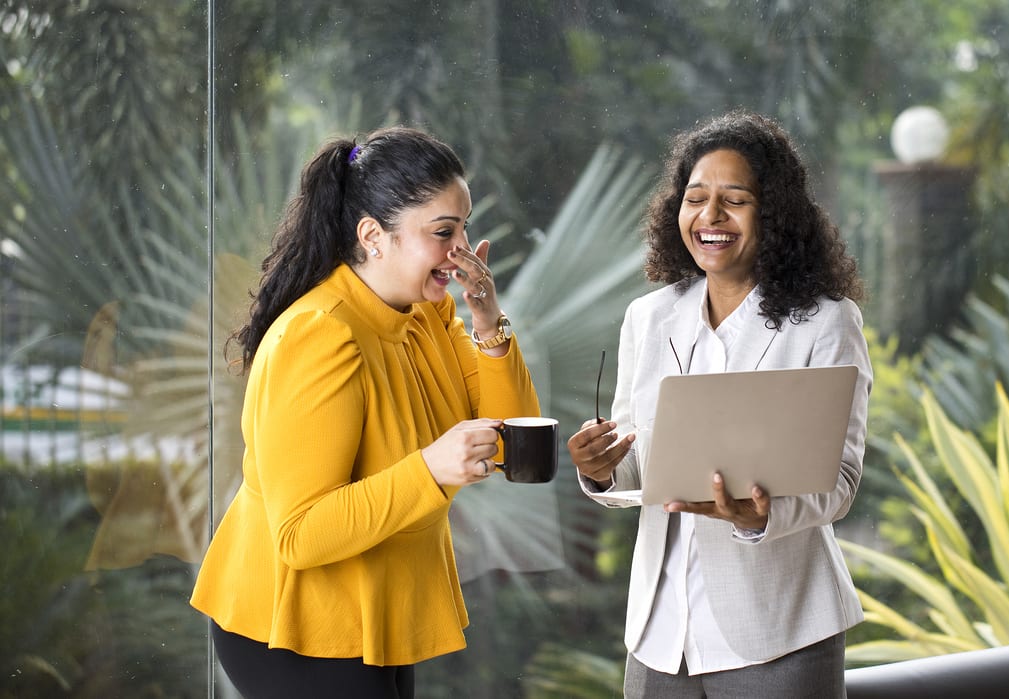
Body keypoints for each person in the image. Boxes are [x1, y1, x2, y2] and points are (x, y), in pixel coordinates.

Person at [190, 126, 541, 699]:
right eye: (443, 232)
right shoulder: (319, 336)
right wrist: (430, 469)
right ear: (373, 236)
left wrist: (487, 322)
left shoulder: (425, 315)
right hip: (296, 628)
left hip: (375, 611)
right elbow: (300, 534)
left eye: (464, 228)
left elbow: (510, 439)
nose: (462, 250)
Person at [568, 110, 871, 698]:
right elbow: (639, 462)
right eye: (695, 198)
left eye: (734, 200)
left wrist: (761, 518)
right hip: (660, 632)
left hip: (779, 630)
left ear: (775, 214)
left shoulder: (827, 323)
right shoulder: (649, 318)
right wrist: (601, 469)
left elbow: (841, 480)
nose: (710, 216)